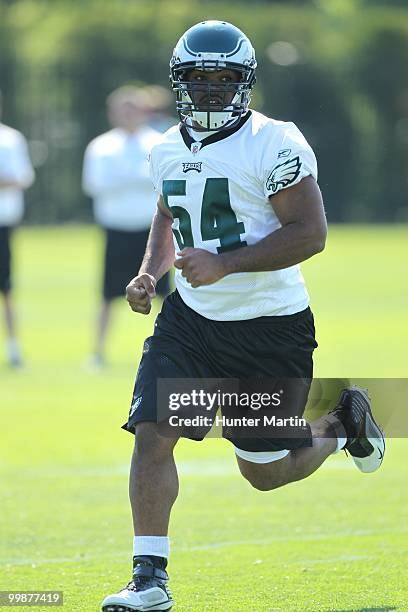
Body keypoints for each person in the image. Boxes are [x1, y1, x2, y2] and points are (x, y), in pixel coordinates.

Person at [101, 21, 385, 612]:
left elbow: (311, 233)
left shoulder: (273, 142)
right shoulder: (165, 147)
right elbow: (166, 211)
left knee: (266, 472)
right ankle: (149, 579)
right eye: (197, 81)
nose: (208, 92)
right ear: (178, 84)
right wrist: (152, 273)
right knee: (154, 434)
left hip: (270, 328)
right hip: (192, 325)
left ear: (243, 83)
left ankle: (340, 424)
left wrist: (227, 264)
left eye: (221, 80)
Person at [82, 86, 169, 367]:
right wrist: (134, 179)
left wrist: (124, 179)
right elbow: (94, 184)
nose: (128, 114)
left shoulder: (158, 142)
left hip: (151, 233)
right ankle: (98, 352)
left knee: (164, 294)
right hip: (116, 229)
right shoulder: (101, 146)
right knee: (108, 294)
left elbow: (163, 183)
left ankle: (172, 349)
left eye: (133, 108)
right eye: (123, 109)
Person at [0, 90, 35, 367]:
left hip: (3, 222)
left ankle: (13, 347)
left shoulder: (10, 138)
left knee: (6, 289)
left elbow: (22, 177)